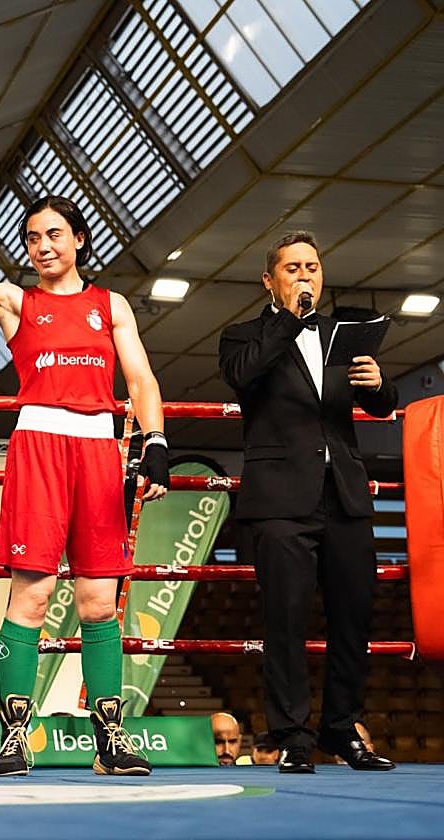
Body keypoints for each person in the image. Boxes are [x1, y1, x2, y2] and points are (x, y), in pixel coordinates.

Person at [0, 158, 168, 777]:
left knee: (100, 601)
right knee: (35, 596)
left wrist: (154, 440)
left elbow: (142, 378)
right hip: (40, 446)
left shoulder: (111, 304)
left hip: (101, 450)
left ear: (77, 240)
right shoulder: (16, 303)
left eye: (53, 234)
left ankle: (111, 740)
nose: (42, 246)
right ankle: (14, 736)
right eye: (32, 237)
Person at [219, 231, 397, 774]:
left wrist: (377, 384)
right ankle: (294, 736)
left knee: (353, 618)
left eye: (313, 268)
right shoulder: (244, 334)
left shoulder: (344, 336)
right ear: (268, 280)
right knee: (286, 620)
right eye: (293, 268)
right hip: (279, 498)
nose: (305, 276)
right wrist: (289, 322)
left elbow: (381, 406)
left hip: (342, 493)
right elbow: (242, 377)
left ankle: (342, 729)